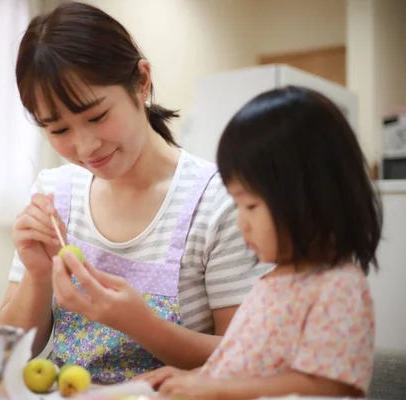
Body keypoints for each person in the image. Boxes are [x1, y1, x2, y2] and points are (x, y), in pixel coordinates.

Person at [0, 1, 269, 384]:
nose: (86, 147)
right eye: (59, 130)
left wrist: (138, 323)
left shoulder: (218, 203)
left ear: (141, 82)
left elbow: (247, 359)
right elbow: (10, 351)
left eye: (96, 117)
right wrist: (38, 275)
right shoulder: (54, 194)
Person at [135, 85, 383, 399]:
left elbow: (329, 385)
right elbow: (241, 366)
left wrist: (215, 389)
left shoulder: (337, 287)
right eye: (237, 206)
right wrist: (195, 377)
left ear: (310, 199)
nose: (241, 222)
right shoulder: (270, 284)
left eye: (250, 206)